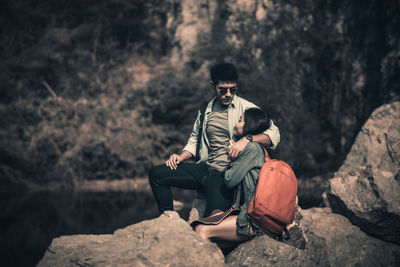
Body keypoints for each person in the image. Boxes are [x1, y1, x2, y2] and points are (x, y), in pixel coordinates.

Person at [148, 63, 280, 217]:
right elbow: (194, 140)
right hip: (204, 168)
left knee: (211, 221)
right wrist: (180, 157)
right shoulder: (206, 110)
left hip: (224, 175)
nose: (228, 94)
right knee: (157, 174)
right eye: (223, 90)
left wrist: (248, 139)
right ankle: (169, 222)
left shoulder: (246, 108)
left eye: (233, 89)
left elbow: (274, 133)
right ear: (213, 85)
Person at [194, 108, 270, 243]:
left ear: (249, 125)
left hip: (255, 221)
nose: (236, 123)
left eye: (240, 120)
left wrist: (232, 158)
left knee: (201, 229)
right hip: (255, 216)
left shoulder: (252, 149)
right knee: (215, 214)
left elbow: (229, 180)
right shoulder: (258, 148)